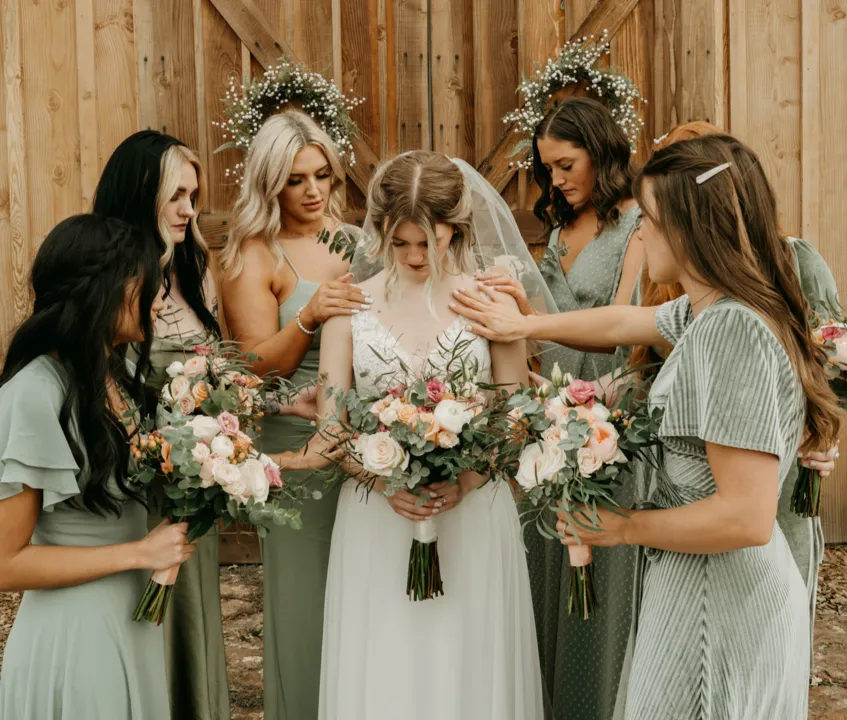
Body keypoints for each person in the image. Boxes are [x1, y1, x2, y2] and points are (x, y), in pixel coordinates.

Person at [451, 134, 842, 718]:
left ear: (690, 228)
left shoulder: (731, 331)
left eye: (650, 221)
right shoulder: (710, 310)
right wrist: (525, 326)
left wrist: (622, 526)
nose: (640, 234)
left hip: (720, 605)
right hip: (695, 583)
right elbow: (621, 323)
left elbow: (747, 516)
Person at [275, 151, 545, 720]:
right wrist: (381, 478)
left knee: (468, 663)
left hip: (472, 513)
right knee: (387, 669)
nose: (416, 256)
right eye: (401, 243)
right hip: (378, 517)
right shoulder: (350, 306)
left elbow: (515, 416)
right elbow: (332, 427)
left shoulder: (491, 301)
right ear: (380, 230)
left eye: (430, 241)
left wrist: (467, 479)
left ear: (457, 228)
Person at [482, 96, 645, 720]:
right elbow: (545, 332)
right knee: (545, 558)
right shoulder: (558, 231)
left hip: (608, 421)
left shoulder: (638, 225)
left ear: (601, 153)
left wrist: (534, 323)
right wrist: (516, 315)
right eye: (548, 168)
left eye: (566, 165)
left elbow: (626, 329)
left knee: (597, 569)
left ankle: (594, 703)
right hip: (549, 419)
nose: (555, 180)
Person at [0, 214, 195, 719]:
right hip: (76, 637)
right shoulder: (34, 393)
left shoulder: (118, 371)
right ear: (104, 290)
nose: (158, 299)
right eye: (146, 284)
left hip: (131, 619)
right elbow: (5, 563)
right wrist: (139, 552)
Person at [219, 109, 369, 720]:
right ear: (269, 183)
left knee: (363, 597)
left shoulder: (358, 241)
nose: (313, 191)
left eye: (322, 176)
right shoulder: (253, 256)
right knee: (306, 600)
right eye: (295, 180)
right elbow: (253, 367)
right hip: (293, 439)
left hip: (366, 440)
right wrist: (309, 316)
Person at [92, 130, 230, 720]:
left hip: (195, 479)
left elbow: (219, 373)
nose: (189, 210)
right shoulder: (108, 276)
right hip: (137, 482)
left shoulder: (196, 270)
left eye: (193, 196)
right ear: (140, 193)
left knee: (193, 614)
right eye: (175, 196)